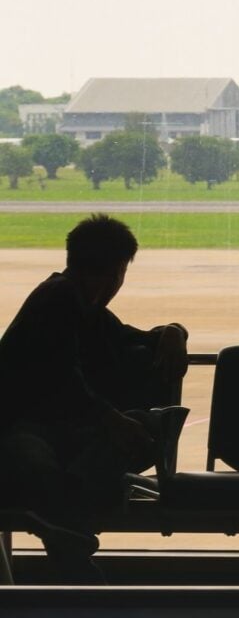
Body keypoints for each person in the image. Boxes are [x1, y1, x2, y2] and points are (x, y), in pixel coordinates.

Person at [0, 214, 187, 580]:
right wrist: (112, 420)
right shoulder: (60, 300)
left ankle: (67, 520)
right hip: (22, 428)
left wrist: (173, 330)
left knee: (56, 467)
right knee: (138, 432)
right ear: (118, 271)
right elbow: (62, 378)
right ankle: (71, 531)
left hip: (50, 433)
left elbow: (133, 338)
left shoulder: (77, 302)